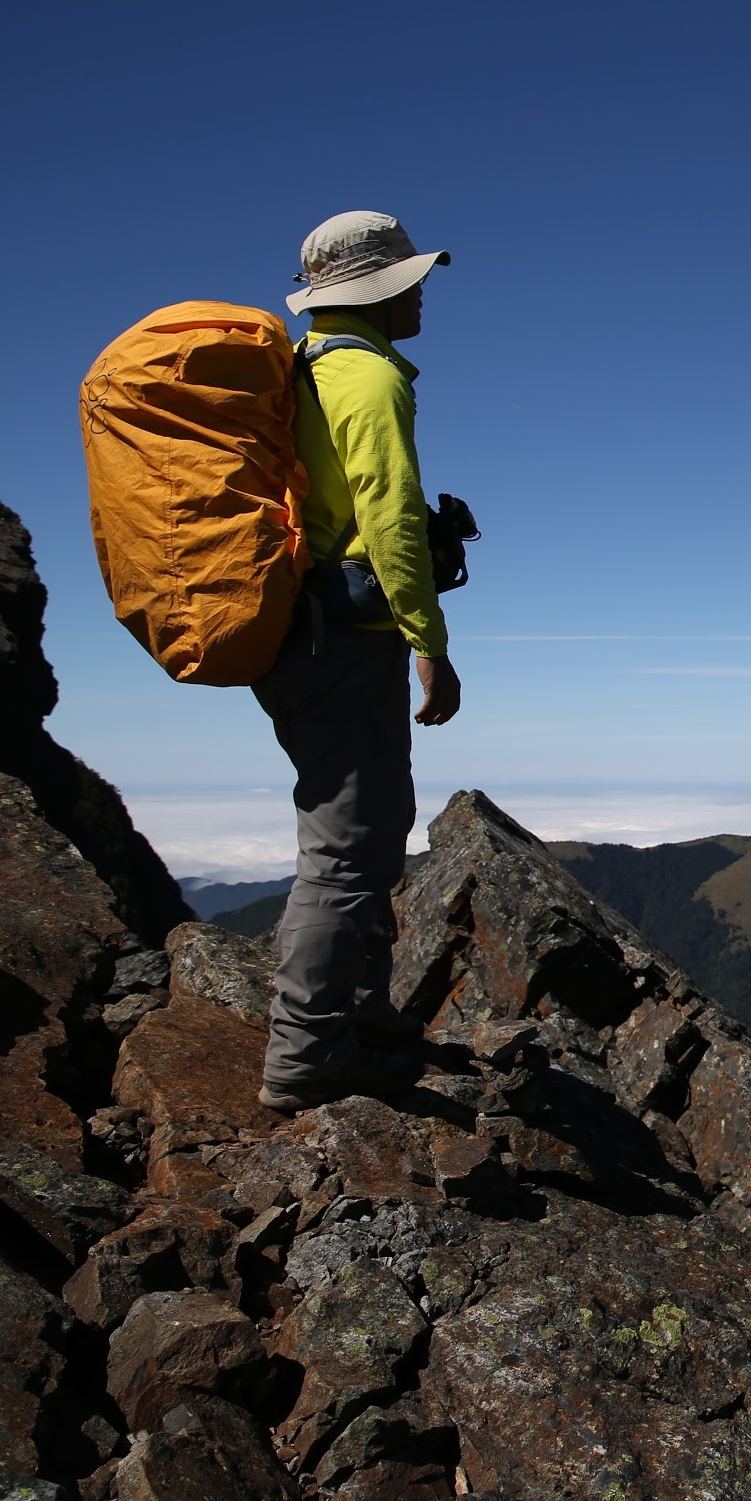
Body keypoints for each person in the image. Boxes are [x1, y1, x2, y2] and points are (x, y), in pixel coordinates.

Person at [255, 210, 462, 1113]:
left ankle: (363, 1008)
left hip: (299, 635)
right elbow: (388, 513)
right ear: (378, 290)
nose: (421, 292)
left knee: (372, 822)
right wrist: (431, 643)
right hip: (343, 637)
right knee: (345, 849)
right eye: (410, 279)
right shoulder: (367, 377)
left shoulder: (305, 370)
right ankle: (307, 1054)